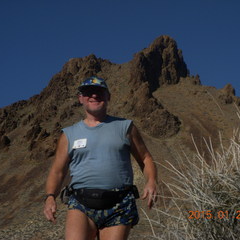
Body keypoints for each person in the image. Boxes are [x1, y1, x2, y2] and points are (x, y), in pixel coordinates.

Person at [43, 76, 158, 240]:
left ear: (108, 96)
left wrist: (152, 181)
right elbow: (57, 171)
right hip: (81, 204)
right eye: (89, 92)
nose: (94, 96)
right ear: (80, 98)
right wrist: (49, 197)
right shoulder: (69, 134)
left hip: (119, 203)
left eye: (99, 92)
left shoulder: (125, 127)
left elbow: (145, 158)